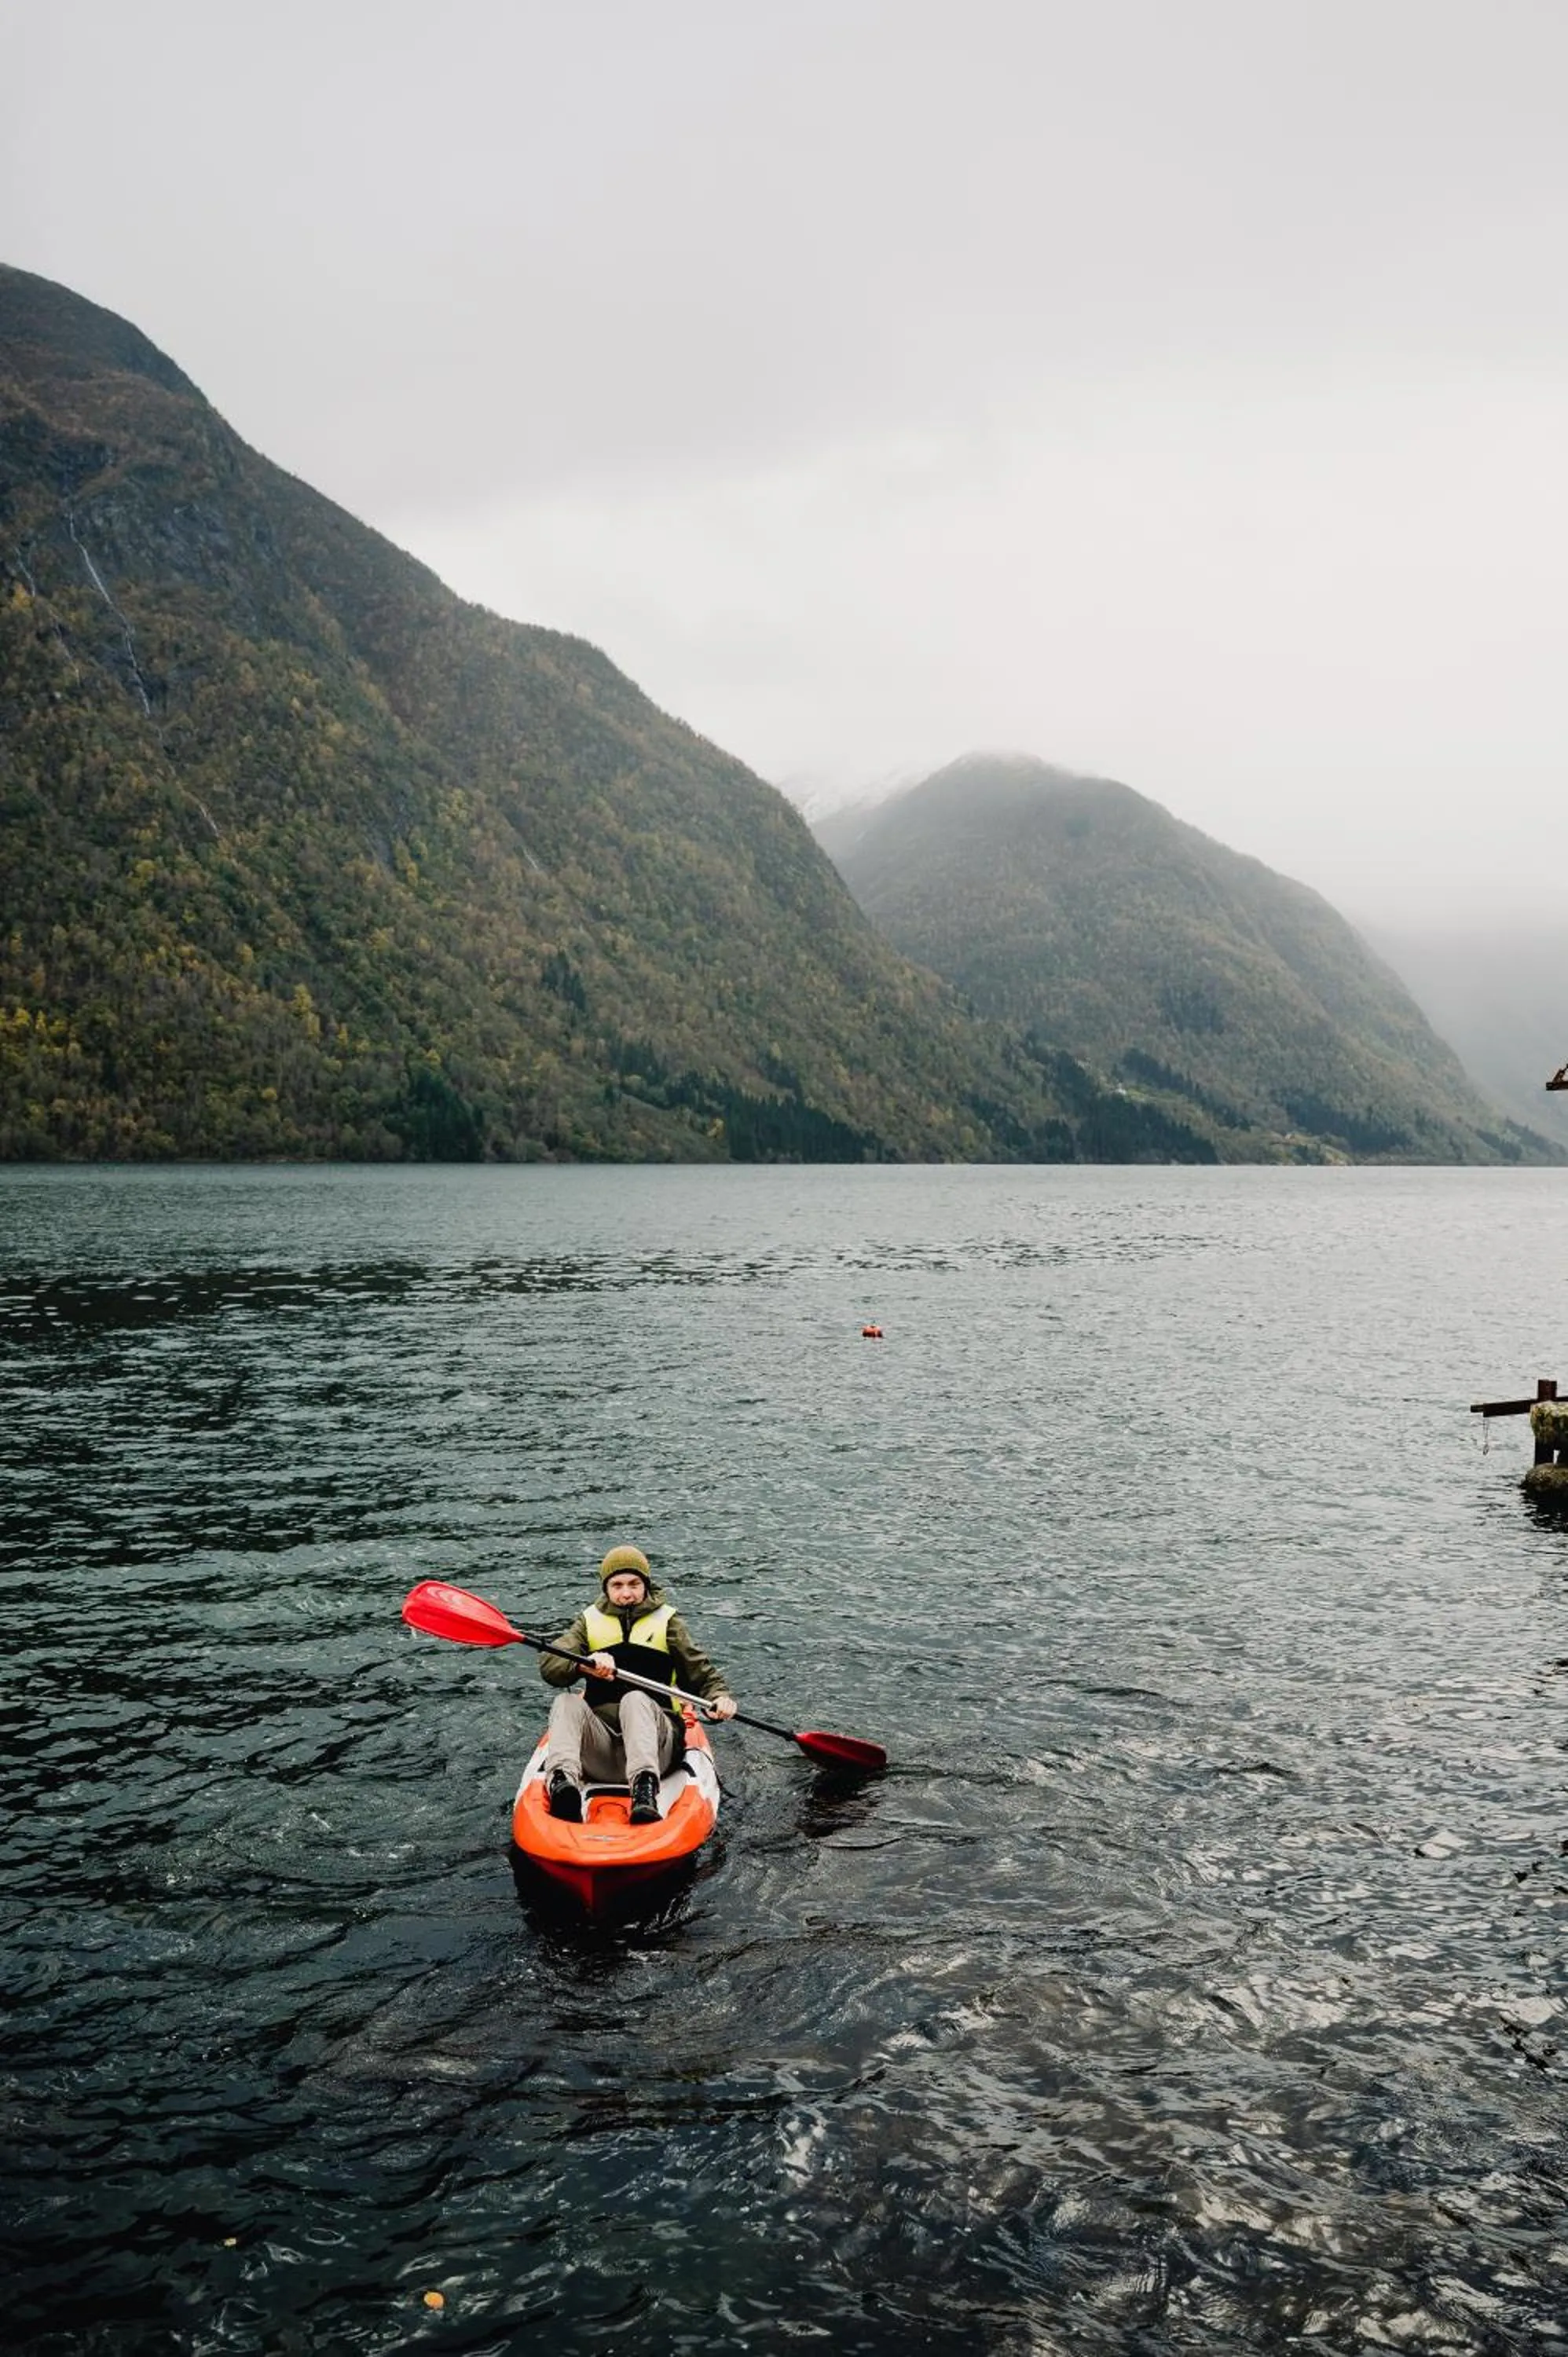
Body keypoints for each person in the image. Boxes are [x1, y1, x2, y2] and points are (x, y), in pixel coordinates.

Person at [540, 1544, 737, 1823]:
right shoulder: (587, 1623)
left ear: (646, 1585)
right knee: (566, 1701)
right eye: (617, 1585)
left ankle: (644, 1793)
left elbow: (701, 1675)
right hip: (603, 1750)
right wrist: (583, 1664)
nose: (626, 1593)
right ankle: (562, 1786)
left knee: (635, 1699)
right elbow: (550, 1668)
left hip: (657, 1749)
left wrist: (719, 1698)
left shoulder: (668, 1622)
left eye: (634, 1584)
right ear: (606, 1588)